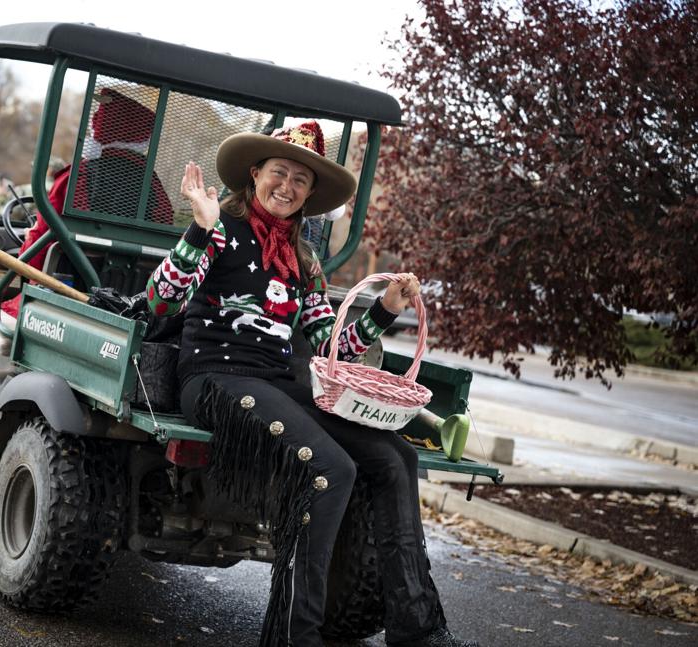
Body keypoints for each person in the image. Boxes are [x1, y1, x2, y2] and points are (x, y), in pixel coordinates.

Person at [146, 120, 477, 647]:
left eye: (301, 180)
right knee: (330, 468)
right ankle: (297, 637)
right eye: (279, 172)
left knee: (398, 459)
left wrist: (385, 311)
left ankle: (418, 629)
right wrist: (198, 229)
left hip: (278, 380)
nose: (288, 187)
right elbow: (160, 301)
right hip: (214, 379)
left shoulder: (303, 261)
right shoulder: (219, 231)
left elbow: (331, 346)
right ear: (255, 174)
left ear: (310, 194)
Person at [0, 85, 173, 319]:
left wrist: (26, 270)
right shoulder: (156, 189)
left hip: (63, 299)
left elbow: (39, 240)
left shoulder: (76, 178)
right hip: (133, 308)